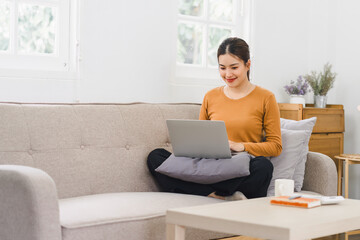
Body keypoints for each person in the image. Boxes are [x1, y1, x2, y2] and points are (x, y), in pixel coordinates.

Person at [147, 37, 282, 200]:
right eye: (222, 68)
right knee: (156, 157)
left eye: (234, 67)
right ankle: (217, 193)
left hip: (239, 164)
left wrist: (242, 146)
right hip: (209, 164)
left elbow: (275, 146)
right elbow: (201, 136)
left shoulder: (266, 97)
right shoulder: (211, 96)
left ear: (248, 65)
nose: (228, 74)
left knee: (263, 167)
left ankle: (198, 190)